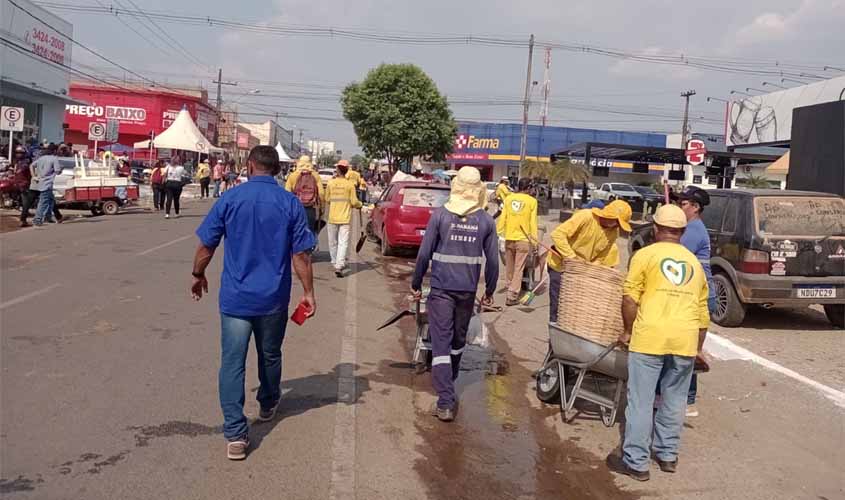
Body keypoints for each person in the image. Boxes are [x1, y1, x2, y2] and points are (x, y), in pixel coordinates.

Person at [191, 145, 316, 460]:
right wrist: (309, 292)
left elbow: (207, 245)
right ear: (276, 169)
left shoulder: (231, 198)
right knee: (270, 354)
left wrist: (197, 274)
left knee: (232, 363)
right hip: (273, 298)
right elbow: (300, 254)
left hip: (235, 298)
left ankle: (235, 434)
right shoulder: (289, 203)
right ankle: (268, 401)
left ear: (249, 166)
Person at [607, 204, 709, 482]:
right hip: (685, 339)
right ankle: (667, 455)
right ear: (682, 231)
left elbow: (629, 298)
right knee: (674, 400)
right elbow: (703, 314)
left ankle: (636, 462)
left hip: (649, 337)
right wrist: (698, 347)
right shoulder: (694, 263)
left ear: (655, 228)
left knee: (641, 400)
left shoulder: (644, 256)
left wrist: (627, 331)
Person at [411, 166, 499, 422]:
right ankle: (448, 391)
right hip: (467, 292)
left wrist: (416, 283)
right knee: (457, 342)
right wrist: (490, 290)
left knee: (443, 343)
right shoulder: (485, 221)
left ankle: (446, 398)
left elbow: (424, 254)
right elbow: (493, 262)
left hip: (441, 289)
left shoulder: (440, 216)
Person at [546, 199, 631, 322]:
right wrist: (571, 257)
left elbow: (601, 256)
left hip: (580, 273)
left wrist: (591, 269)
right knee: (558, 307)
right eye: (617, 222)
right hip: (560, 267)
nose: (617, 226)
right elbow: (558, 234)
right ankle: (555, 337)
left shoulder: (613, 233)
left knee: (573, 310)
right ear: (608, 216)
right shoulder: (585, 216)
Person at [674, 186, 715, 418]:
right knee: (685, 349)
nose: (680, 207)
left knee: (688, 351)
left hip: (697, 296)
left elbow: (674, 255)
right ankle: (684, 399)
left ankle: (687, 401)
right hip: (693, 293)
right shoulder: (689, 228)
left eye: (683, 204)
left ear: (696, 207)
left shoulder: (693, 230)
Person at [496, 178, 538, 306]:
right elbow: (533, 223)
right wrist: (535, 242)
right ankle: (512, 295)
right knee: (519, 268)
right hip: (523, 240)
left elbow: (503, 217)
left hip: (509, 238)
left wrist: (498, 233)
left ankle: (510, 289)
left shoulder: (509, 199)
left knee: (510, 267)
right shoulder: (532, 201)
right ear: (529, 188)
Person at [326, 160, 362, 277]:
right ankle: (339, 265)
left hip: (332, 217)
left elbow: (327, 199)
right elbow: (354, 201)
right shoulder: (349, 185)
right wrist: (360, 205)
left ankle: (334, 262)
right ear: (347, 171)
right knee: (343, 243)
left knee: (333, 242)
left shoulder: (331, 183)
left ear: (337, 170)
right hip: (345, 218)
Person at [285, 155, 324, 246]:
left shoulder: (293, 175)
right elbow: (321, 194)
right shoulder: (315, 175)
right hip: (310, 207)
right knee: (309, 229)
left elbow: (287, 192)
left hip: (295, 207)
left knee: (296, 228)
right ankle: (309, 252)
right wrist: (322, 208)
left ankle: (296, 251)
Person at [29, 144, 63, 227]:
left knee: (50, 201)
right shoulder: (54, 159)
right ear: (54, 151)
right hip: (47, 183)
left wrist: (34, 176)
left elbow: (31, 165)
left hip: (40, 182)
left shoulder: (41, 158)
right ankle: (37, 219)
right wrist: (61, 169)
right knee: (43, 202)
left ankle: (49, 217)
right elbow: (58, 171)